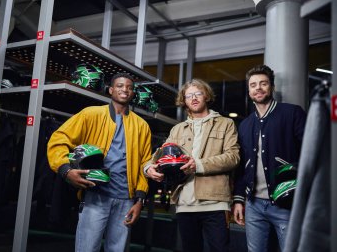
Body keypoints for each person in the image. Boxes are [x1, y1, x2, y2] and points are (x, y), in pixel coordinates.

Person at [47, 73, 152, 252]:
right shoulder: (91, 114)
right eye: (119, 86)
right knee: (87, 248)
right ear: (111, 90)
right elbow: (59, 138)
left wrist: (140, 199)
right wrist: (65, 169)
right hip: (96, 195)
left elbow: (145, 163)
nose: (124, 89)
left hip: (126, 200)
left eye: (129, 87)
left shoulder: (142, 126)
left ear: (133, 93)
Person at [145, 78, 240, 252]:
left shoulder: (226, 123)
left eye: (198, 94)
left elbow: (233, 157)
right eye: (189, 95)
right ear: (184, 100)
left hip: (215, 202)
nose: (194, 98)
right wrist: (149, 167)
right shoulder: (178, 129)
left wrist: (198, 165)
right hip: (184, 203)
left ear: (207, 96)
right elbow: (162, 153)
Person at [232, 65, 307, 251]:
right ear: (249, 91)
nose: (258, 88)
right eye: (253, 85)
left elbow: (310, 154)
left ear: (271, 87)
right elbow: (242, 167)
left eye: (263, 83)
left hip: (287, 203)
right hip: (253, 205)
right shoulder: (245, 125)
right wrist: (239, 199)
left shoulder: (292, 113)